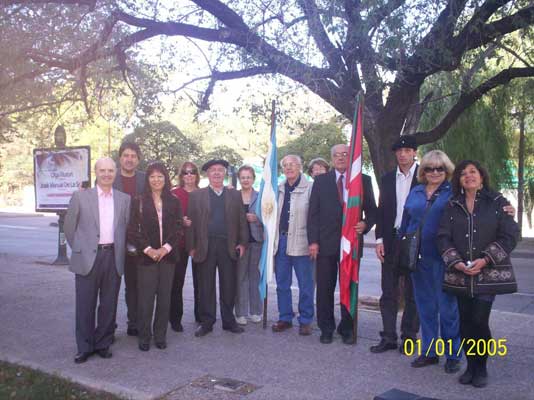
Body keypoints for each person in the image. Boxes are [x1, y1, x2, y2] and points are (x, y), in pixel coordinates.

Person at [438, 160, 519, 387]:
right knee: (464, 322)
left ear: (481, 177)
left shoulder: (497, 202)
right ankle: (470, 367)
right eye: (463, 174)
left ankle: (480, 368)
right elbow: (442, 237)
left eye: (473, 172)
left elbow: (510, 235)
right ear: (459, 180)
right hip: (460, 274)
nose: (468, 176)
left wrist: (485, 260)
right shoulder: (451, 205)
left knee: (479, 320)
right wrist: (456, 262)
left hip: (487, 274)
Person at [398, 150, 462, 372]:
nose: (434, 172)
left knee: (447, 309)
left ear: (447, 170)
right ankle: (430, 351)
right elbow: (406, 222)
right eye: (429, 168)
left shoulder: (454, 191)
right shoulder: (415, 191)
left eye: (439, 168)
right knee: (425, 308)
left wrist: (505, 208)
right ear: (423, 171)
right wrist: (401, 248)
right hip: (418, 259)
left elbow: (481, 200)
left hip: (444, 259)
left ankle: (453, 355)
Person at [308, 144, 377, 344]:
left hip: (351, 244)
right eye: (336, 155)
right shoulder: (321, 181)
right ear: (331, 159)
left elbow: (372, 210)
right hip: (325, 244)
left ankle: (347, 328)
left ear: (351, 157)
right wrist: (313, 242)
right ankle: (326, 328)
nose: (340, 158)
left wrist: (365, 223)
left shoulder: (363, 180)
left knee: (349, 287)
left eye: (345, 154)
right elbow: (313, 214)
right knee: (324, 289)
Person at [64, 157, 131, 364]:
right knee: (85, 304)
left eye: (110, 170)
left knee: (109, 304)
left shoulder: (124, 199)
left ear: (115, 173)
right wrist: (80, 249)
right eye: (102, 170)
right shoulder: (80, 197)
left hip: (113, 256)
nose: (106, 174)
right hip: (87, 258)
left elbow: (126, 228)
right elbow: (69, 227)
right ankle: (84, 347)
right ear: (96, 172)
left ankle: (103, 343)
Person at [186, 159, 249, 337]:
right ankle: (207, 322)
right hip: (204, 245)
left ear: (225, 174)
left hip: (227, 245)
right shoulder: (196, 196)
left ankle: (229, 321)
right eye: (213, 170)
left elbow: (241, 221)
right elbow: (190, 223)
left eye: (220, 170)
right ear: (207, 174)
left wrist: (242, 243)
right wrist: (191, 247)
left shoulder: (234, 195)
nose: (216, 173)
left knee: (229, 284)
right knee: (206, 285)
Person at [371, 135, 420, 354]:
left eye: (407, 150)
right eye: (399, 151)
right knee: (388, 292)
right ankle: (388, 337)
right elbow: (382, 212)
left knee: (412, 293)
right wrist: (379, 239)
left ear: (414, 153)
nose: (403, 154)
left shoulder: (425, 176)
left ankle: (408, 338)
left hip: (414, 241)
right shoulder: (388, 179)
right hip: (391, 240)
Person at [128, 162, 183, 351]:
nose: (156, 180)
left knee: (164, 297)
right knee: (146, 298)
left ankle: (160, 336)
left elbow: (178, 228)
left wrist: (164, 249)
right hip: (146, 258)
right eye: (152, 176)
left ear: (165, 178)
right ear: (147, 179)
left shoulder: (174, 200)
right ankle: (144, 337)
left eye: (160, 176)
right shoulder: (138, 200)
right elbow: (133, 230)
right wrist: (149, 250)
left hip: (167, 257)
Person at [271, 155, 315, 336]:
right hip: (281, 241)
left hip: (302, 240)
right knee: (282, 283)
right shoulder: (278, 189)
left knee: (305, 284)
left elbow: (315, 216)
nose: (289, 168)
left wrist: (314, 241)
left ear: (300, 167)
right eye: (285, 166)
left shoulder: (310, 188)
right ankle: (285, 317)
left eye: (292, 165)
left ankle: (305, 320)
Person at [113, 142, 145, 336]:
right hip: (113, 239)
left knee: (134, 284)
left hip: (138, 239)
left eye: (133, 155)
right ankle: (108, 326)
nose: (129, 159)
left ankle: (134, 322)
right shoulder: (109, 177)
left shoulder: (144, 179)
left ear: (138, 159)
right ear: (120, 158)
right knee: (111, 285)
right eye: (126, 155)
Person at [170, 161, 201, 331]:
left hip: (198, 244)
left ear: (196, 175)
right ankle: (175, 319)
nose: (189, 175)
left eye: (192, 172)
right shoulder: (174, 194)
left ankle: (200, 315)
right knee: (177, 282)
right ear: (181, 176)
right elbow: (165, 218)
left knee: (200, 282)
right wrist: (180, 221)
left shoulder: (204, 193)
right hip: (179, 243)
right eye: (185, 172)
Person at [234, 165, 264, 325]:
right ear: (240, 179)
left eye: (249, 177)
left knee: (255, 276)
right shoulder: (233, 196)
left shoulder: (260, 196)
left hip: (257, 241)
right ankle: (240, 312)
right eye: (243, 177)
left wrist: (257, 218)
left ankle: (255, 311)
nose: (246, 180)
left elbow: (269, 217)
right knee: (240, 277)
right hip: (240, 243)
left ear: (253, 179)